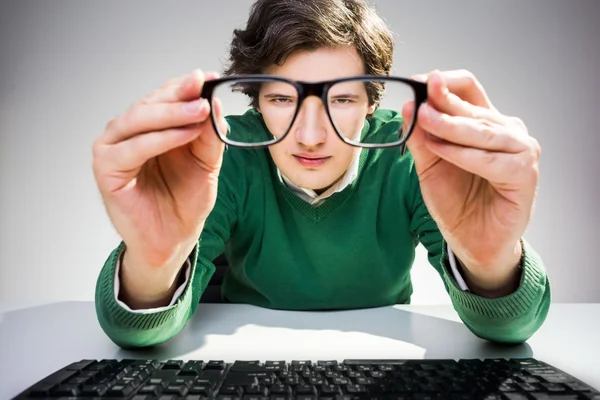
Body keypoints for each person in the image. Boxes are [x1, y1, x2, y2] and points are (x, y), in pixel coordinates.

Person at [92, 0, 550, 349]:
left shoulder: (414, 154)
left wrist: (492, 264)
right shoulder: (221, 154)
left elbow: (509, 331)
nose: (310, 136)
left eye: (342, 100)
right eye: (282, 99)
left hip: (381, 361)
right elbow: (135, 336)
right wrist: (153, 266)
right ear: (254, 101)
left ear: (373, 103)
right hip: (244, 357)